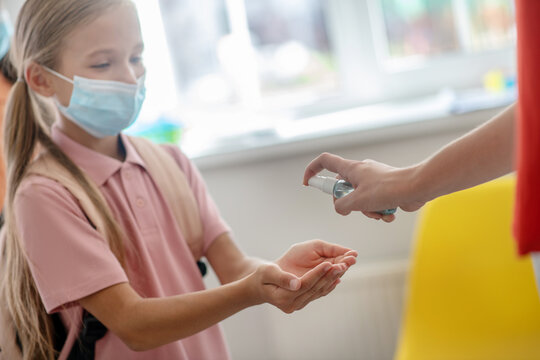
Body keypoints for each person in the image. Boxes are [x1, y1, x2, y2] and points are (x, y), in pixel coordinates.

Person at [0, 0, 358, 359]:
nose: (129, 77)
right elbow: (132, 324)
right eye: (103, 63)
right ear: (41, 79)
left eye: (136, 57)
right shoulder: (43, 195)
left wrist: (278, 274)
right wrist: (252, 290)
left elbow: (234, 268)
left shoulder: (171, 163)